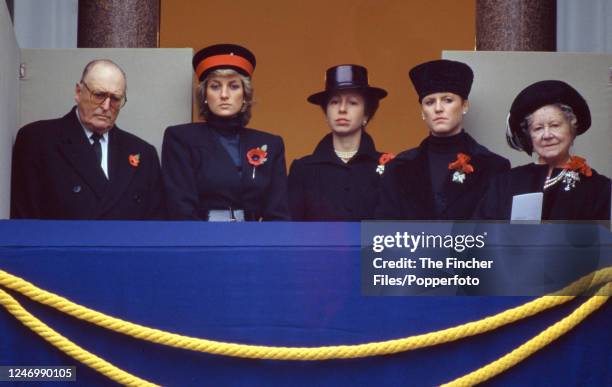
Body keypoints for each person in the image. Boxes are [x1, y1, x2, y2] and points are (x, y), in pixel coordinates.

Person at [10, 59, 164, 220]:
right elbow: (24, 224)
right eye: (98, 95)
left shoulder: (144, 154)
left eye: (115, 99)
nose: (106, 106)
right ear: (78, 92)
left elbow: (155, 229)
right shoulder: (38, 140)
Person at [162, 44, 289, 221]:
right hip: (200, 240)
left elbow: (278, 214)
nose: (224, 94)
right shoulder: (181, 139)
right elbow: (181, 209)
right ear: (204, 95)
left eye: (233, 86)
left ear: (245, 95)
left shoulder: (271, 144)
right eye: (215, 86)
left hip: (254, 242)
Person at [376, 59, 510, 220]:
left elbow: (497, 234)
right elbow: (384, 233)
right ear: (422, 112)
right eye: (430, 102)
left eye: (448, 100)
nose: (438, 108)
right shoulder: (397, 168)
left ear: (464, 105)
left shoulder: (493, 167)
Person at [475, 80, 610, 220]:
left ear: (572, 128)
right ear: (529, 135)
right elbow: (481, 235)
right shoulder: (504, 183)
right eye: (538, 128)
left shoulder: (599, 188)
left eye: (555, 125)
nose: (547, 135)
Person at [288, 64, 391, 221]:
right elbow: (291, 231)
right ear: (326, 113)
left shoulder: (389, 166)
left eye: (353, 102)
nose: (342, 109)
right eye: (334, 102)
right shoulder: (303, 169)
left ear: (366, 115)